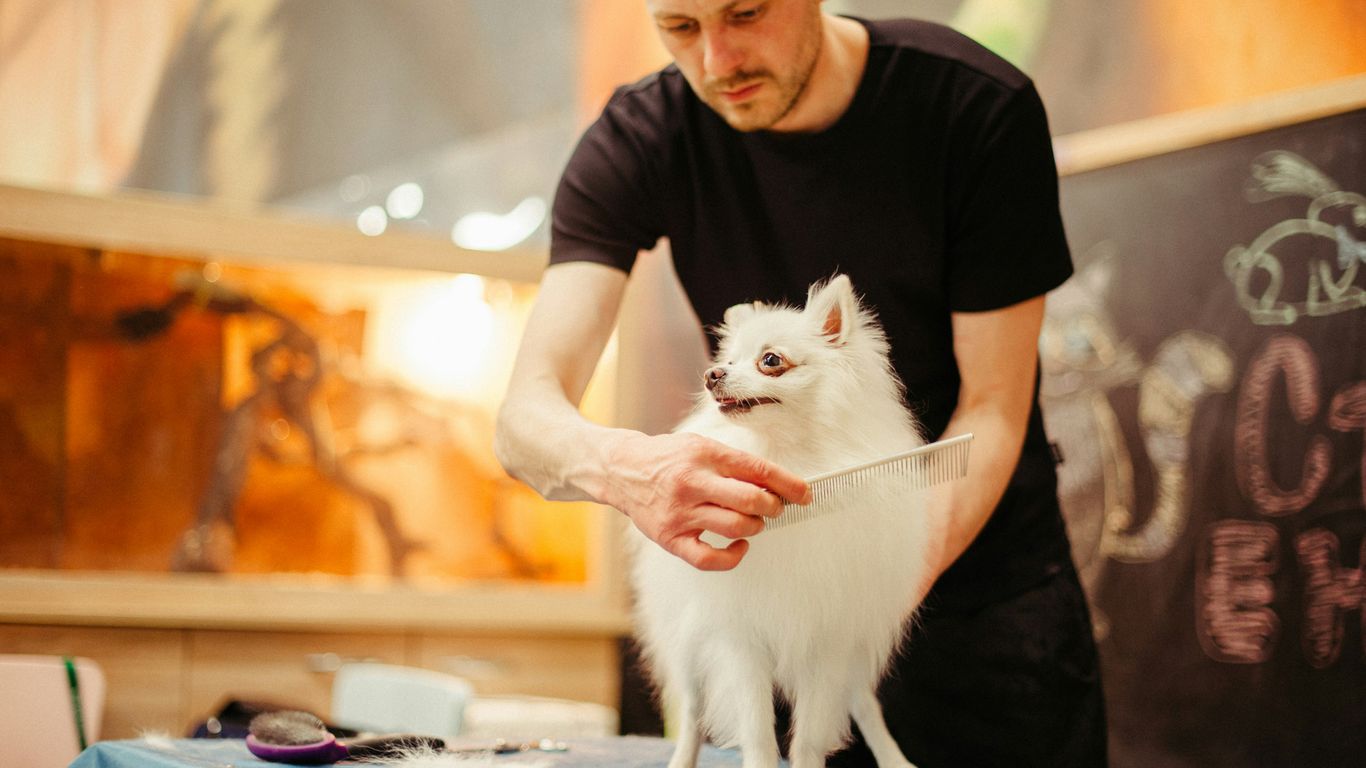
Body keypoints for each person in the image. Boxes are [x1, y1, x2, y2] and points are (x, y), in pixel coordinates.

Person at [494, 1, 1106, 765]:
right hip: (769, 598)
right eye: (680, 27)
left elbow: (994, 406)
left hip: (981, 600)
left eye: (745, 13)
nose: (718, 61)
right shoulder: (641, 137)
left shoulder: (974, 106)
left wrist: (864, 589)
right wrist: (630, 470)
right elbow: (524, 418)